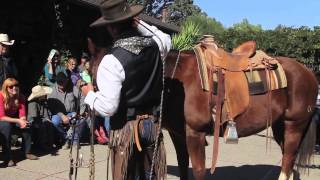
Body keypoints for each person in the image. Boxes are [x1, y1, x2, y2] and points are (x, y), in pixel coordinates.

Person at [81, 0, 171, 179]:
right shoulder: (157, 45)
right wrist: (141, 24)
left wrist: (89, 94)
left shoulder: (111, 60)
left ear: (111, 28)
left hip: (125, 129)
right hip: (152, 126)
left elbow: (108, 107)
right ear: (132, 21)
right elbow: (165, 38)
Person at [0, 78, 38, 167]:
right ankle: (7, 157)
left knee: (27, 124)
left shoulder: (20, 96)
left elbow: (22, 114)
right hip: (2, 120)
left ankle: (26, 152)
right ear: (6, 88)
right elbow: (1, 117)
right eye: (11, 86)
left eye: (16, 85)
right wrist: (18, 120)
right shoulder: (1, 96)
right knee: (6, 126)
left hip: (11, 119)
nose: (14, 88)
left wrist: (23, 121)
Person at [47, 72, 86, 149]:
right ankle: (66, 139)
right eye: (59, 83)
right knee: (55, 121)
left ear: (67, 81)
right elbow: (52, 107)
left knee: (81, 119)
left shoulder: (73, 87)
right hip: (59, 114)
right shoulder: (52, 91)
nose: (61, 85)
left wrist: (81, 113)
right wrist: (62, 116)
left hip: (72, 112)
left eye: (63, 82)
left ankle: (74, 141)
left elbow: (81, 98)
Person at [27, 85, 54, 151]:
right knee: (42, 126)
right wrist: (43, 121)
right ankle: (41, 145)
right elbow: (34, 117)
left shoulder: (43, 102)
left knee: (50, 124)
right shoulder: (32, 103)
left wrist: (47, 119)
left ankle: (50, 143)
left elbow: (45, 113)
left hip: (41, 119)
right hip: (33, 121)